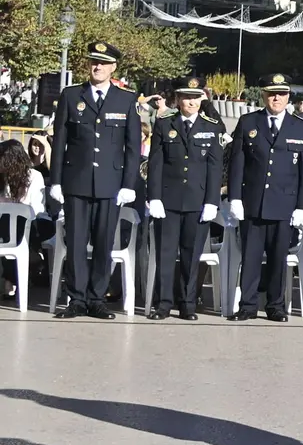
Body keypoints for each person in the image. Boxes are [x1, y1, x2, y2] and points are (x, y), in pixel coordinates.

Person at [49, 41, 142, 319]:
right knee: (77, 242)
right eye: (93, 62)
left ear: (113, 67)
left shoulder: (126, 99)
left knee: (103, 242)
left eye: (103, 63)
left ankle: (97, 298)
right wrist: (55, 181)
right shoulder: (71, 95)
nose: (97, 66)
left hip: (110, 183)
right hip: (76, 181)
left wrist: (128, 184)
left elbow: (132, 146)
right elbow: (60, 141)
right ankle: (76, 298)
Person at [228, 74, 303, 321]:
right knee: (251, 257)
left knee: (278, 258)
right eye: (271, 93)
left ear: (289, 96)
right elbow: (237, 163)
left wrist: (302, 204)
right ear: (263, 95)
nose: (276, 98)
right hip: (253, 202)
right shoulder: (248, 122)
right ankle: (247, 305)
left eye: (281, 94)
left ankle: (275, 306)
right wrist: (235, 197)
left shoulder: (300, 126)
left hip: (284, 204)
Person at [143, 77, 225, 321]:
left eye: (195, 97)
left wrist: (212, 201)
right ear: (177, 99)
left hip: (197, 200)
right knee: (166, 254)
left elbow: (215, 166)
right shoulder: (164, 123)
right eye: (186, 97)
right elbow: (155, 163)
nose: (191, 101)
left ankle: (188, 304)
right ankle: (164, 303)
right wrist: (154, 196)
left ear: (202, 99)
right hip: (168, 199)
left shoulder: (212, 126)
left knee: (192, 254)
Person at [0, 140, 42, 301]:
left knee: (17, 226)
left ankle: (11, 279)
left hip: (29, 224)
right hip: (5, 224)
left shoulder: (34, 176)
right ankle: (12, 278)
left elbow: (36, 209)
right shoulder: (2, 177)